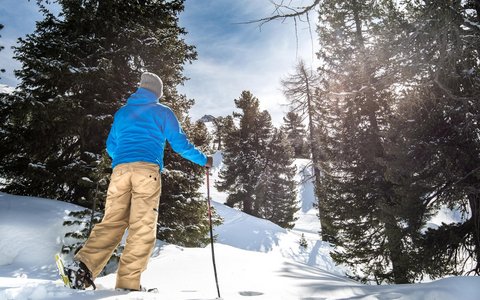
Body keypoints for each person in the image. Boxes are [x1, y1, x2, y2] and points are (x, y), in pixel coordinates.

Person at [67, 72, 213, 291]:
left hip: (120, 171)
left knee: (112, 222)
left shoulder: (122, 113)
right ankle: (128, 284)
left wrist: (124, 159)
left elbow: (110, 146)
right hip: (147, 171)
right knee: (142, 228)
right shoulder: (162, 112)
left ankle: (83, 268)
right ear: (157, 92)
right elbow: (179, 144)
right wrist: (204, 160)